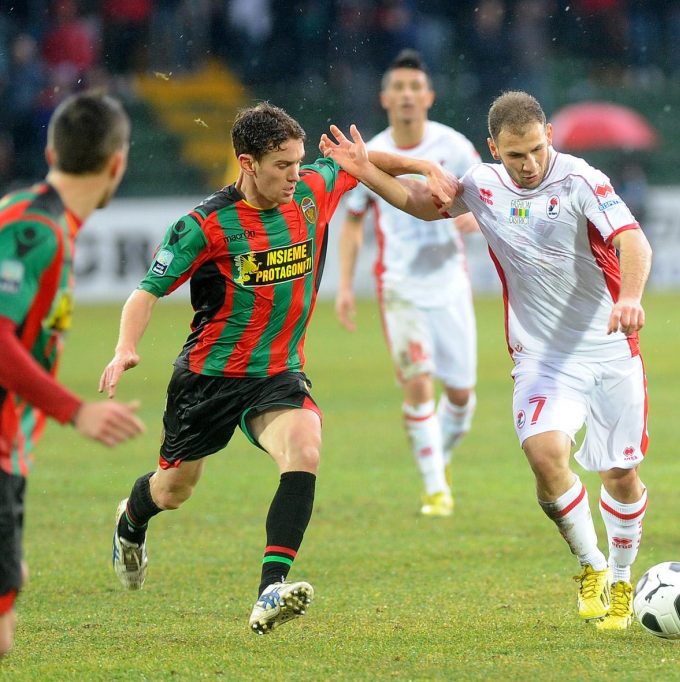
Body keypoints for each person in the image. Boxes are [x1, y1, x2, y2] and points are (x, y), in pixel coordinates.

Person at [99, 102, 451, 635]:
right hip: (209, 378)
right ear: (247, 162)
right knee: (175, 489)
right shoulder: (204, 224)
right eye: (282, 165)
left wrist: (423, 167)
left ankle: (270, 589)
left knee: (305, 447)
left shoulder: (309, 192)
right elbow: (146, 291)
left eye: (298, 162)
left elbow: (354, 161)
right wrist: (126, 346)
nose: (295, 175)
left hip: (278, 371)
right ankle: (132, 520)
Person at [320, 90, 653, 631]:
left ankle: (622, 572)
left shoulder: (582, 180)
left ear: (550, 137)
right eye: (515, 154)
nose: (528, 165)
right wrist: (363, 172)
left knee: (621, 474)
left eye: (538, 150)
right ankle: (592, 566)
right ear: (493, 147)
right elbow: (419, 205)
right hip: (543, 358)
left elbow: (634, 243)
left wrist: (630, 296)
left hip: (611, 349)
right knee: (546, 458)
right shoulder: (481, 184)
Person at [0, 91, 145, 657]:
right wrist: (75, 409)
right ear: (117, 163)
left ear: (49, 148)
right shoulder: (36, 232)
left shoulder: (30, 217)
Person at [336, 50, 480, 517]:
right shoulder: (369, 151)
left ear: (429, 97)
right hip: (399, 286)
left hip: (449, 283)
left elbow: (488, 197)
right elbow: (354, 222)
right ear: (384, 98)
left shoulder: (454, 146)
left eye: (414, 87)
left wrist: (474, 221)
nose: (406, 95)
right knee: (418, 384)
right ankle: (436, 490)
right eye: (398, 87)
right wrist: (342, 286)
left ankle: (438, 461)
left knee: (461, 395)